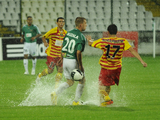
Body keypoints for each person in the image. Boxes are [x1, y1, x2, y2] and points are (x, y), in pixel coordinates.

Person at [86, 24, 147, 107]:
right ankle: (103, 103)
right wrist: (142, 61)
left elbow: (90, 44)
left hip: (106, 67)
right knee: (107, 85)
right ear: (117, 32)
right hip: (117, 68)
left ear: (108, 32)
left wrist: (89, 40)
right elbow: (132, 50)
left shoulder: (103, 41)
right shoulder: (123, 41)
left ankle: (106, 98)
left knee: (100, 86)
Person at [51, 17, 87, 105]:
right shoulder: (81, 36)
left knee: (70, 82)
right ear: (81, 25)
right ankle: (76, 101)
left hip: (66, 60)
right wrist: (80, 65)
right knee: (82, 80)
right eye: (85, 23)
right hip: (73, 61)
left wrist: (62, 58)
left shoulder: (68, 32)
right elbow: (78, 53)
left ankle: (55, 93)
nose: (86, 25)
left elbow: (63, 46)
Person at [36, 17, 67, 89]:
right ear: (57, 23)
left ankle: (56, 87)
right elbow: (43, 37)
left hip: (59, 55)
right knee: (50, 71)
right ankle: (39, 75)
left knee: (60, 70)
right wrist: (45, 43)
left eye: (63, 21)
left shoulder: (65, 33)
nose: (61, 23)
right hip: (52, 54)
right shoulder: (53, 31)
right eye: (60, 21)